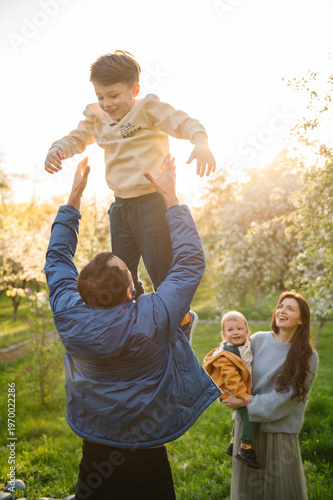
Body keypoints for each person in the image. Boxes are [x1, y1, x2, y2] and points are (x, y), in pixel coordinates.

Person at [43, 154, 221, 500]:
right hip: (147, 448)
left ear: (83, 290)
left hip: (95, 444)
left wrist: (73, 200)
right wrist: (171, 197)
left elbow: (57, 258)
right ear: (130, 290)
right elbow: (189, 262)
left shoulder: (69, 313)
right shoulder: (152, 314)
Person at [44, 50, 216, 341]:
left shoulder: (148, 108)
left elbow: (181, 121)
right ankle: (133, 327)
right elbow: (77, 137)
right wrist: (57, 148)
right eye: (100, 96)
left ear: (134, 90)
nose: (107, 104)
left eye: (113, 95)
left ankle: (183, 321)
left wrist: (200, 141)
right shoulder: (96, 116)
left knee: (163, 275)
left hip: (152, 203)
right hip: (120, 207)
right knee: (121, 275)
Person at [223, 291, 319, 500]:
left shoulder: (308, 356)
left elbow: (287, 401)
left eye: (290, 309)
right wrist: (229, 392)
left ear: (302, 320)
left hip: (278, 432)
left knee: (279, 493)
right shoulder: (257, 340)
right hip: (247, 431)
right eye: (281, 306)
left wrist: (243, 402)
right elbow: (234, 368)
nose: (282, 311)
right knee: (247, 492)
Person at [203, 311, 260, 469]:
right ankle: (245, 449)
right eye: (230, 330)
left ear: (247, 332)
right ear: (223, 334)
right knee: (249, 417)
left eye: (239, 329)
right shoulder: (226, 355)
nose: (236, 332)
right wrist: (244, 395)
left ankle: (232, 443)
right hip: (232, 390)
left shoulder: (244, 344)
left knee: (240, 418)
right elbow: (232, 378)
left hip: (238, 387)